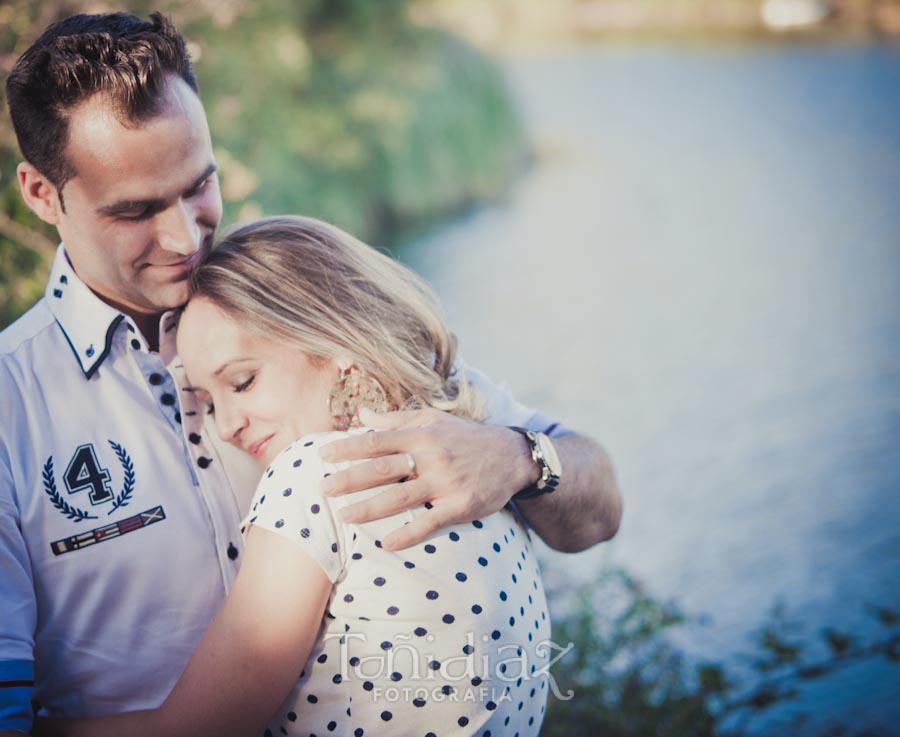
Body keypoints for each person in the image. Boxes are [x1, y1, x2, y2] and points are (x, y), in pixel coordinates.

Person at [0, 11, 621, 736]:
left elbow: (599, 504)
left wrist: (518, 456)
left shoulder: (292, 308)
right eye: (135, 209)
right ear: (42, 194)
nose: (184, 236)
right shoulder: (12, 409)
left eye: (199, 185)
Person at [39, 215, 554, 737]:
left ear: (332, 342)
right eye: (207, 400)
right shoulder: (481, 453)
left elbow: (200, 728)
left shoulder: (313, 477)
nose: (226, 424)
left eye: (242, 381)